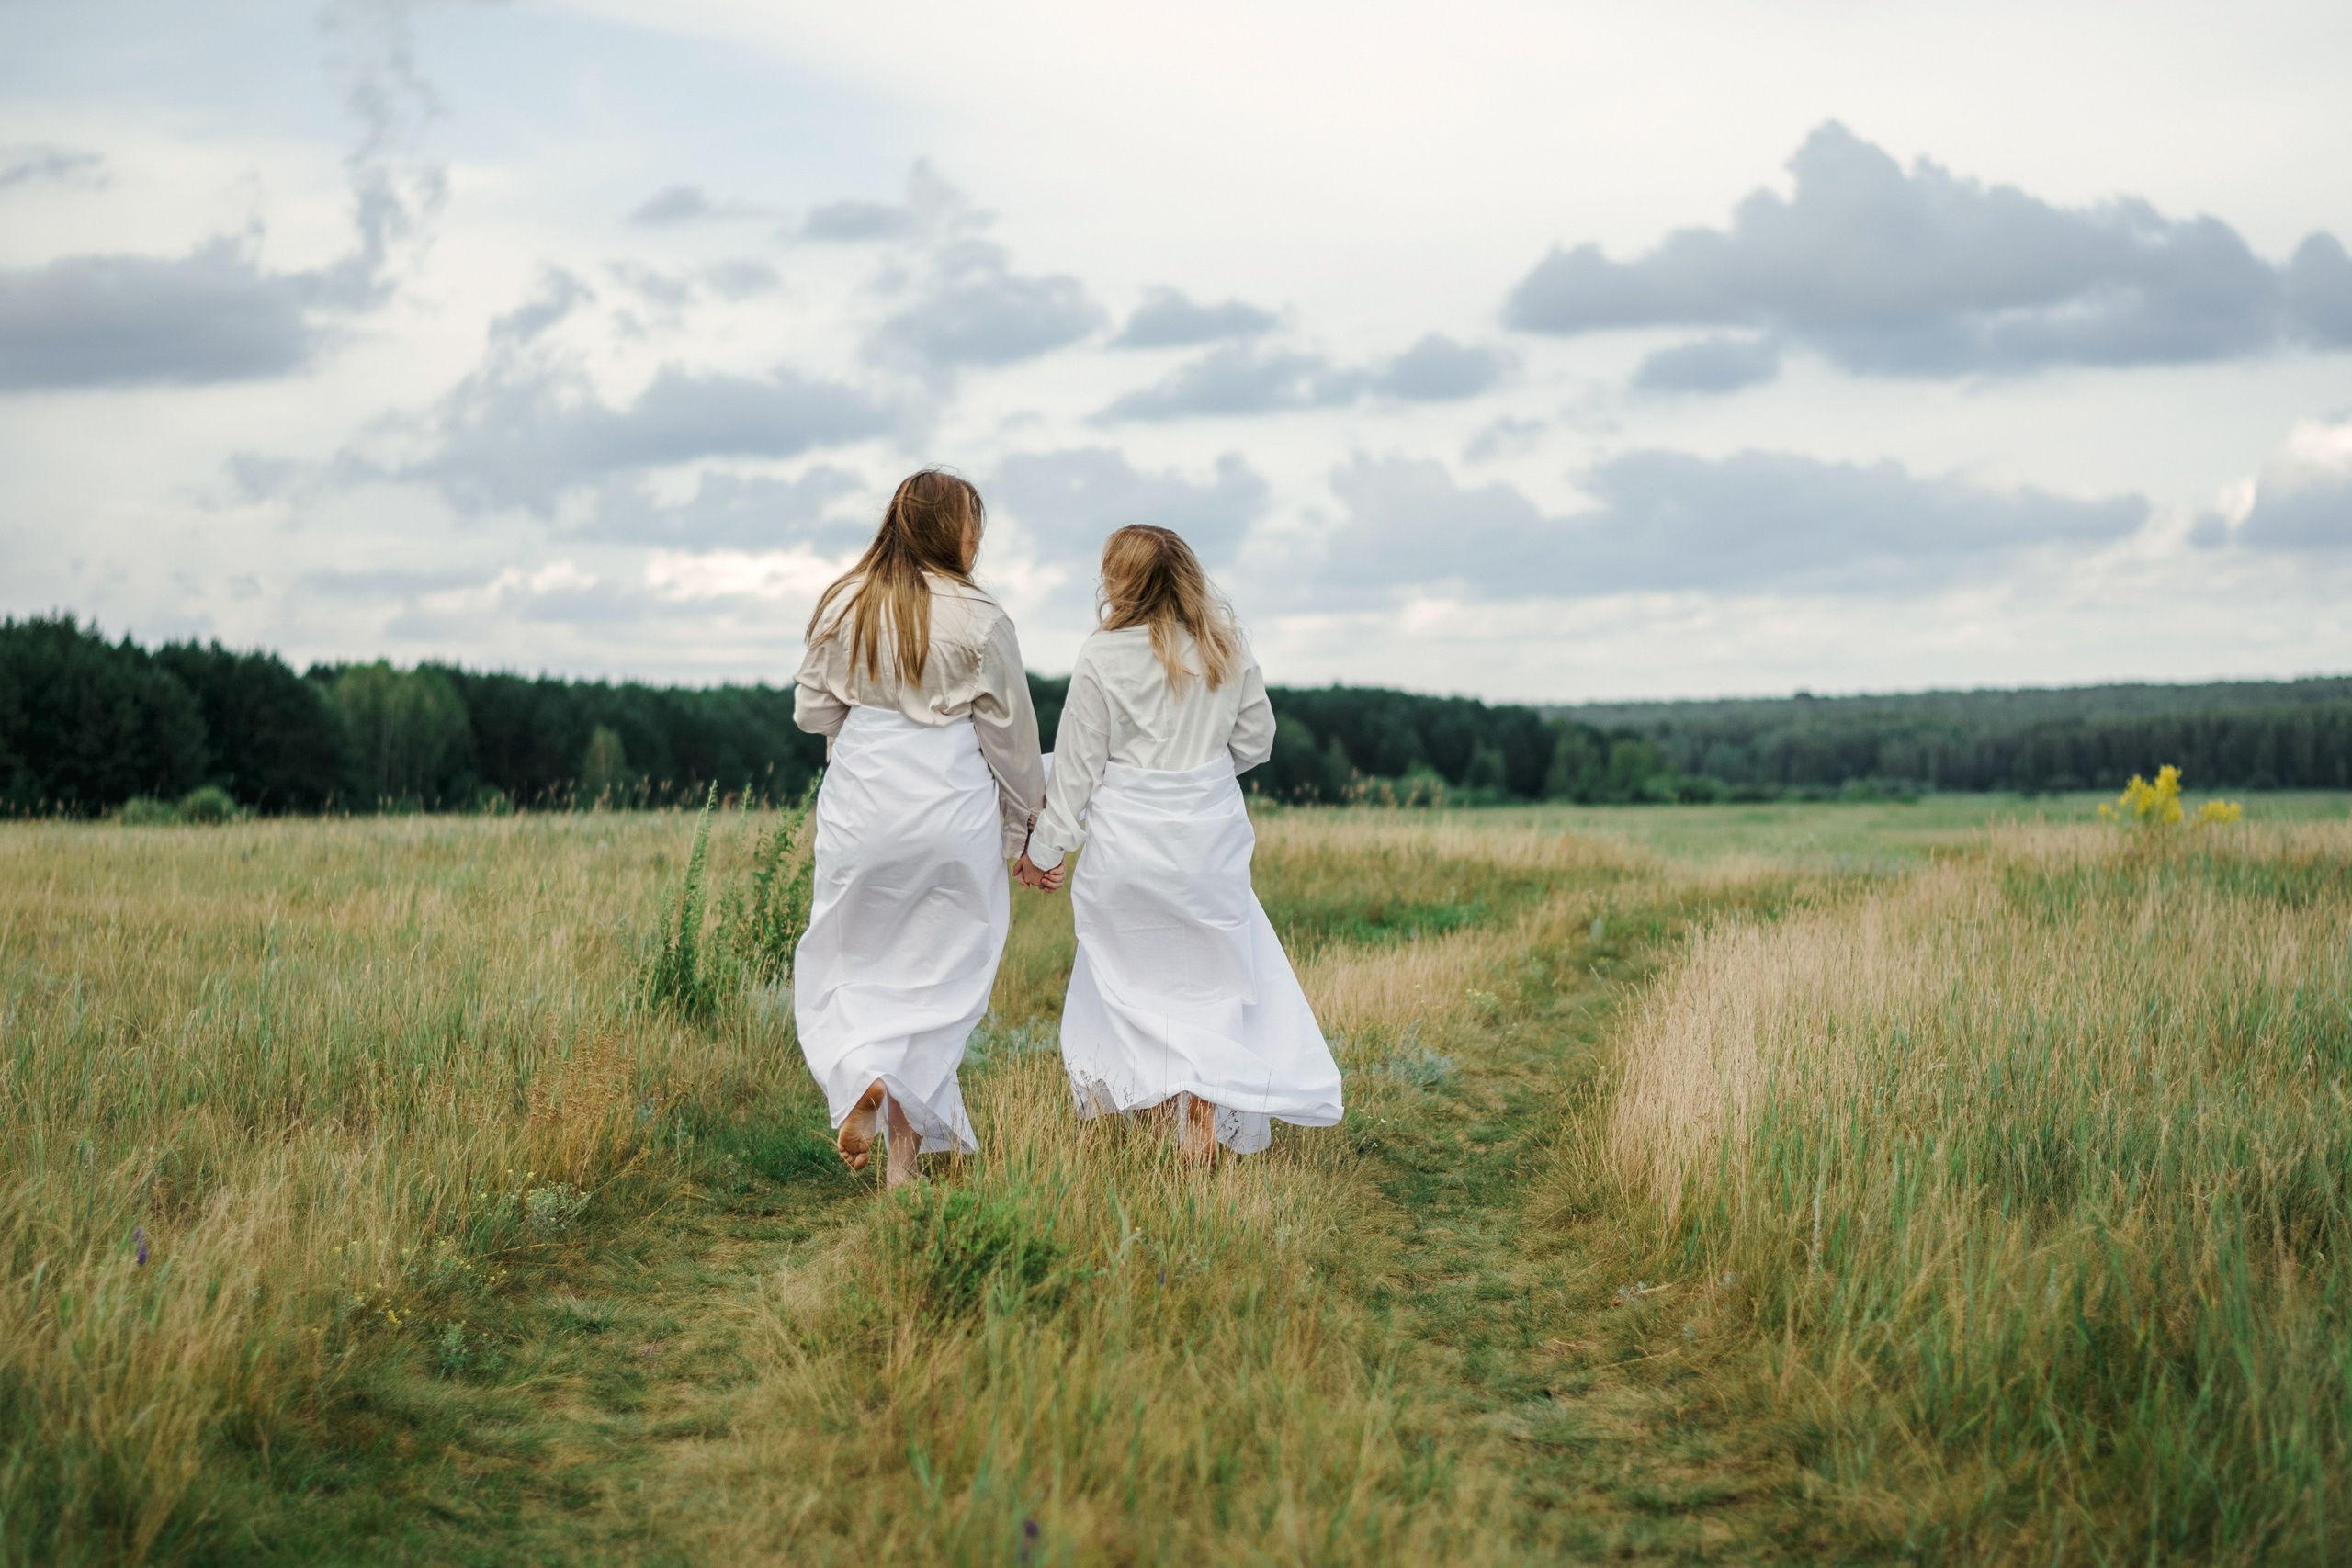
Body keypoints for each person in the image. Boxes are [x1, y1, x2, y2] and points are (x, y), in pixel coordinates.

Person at [1016, 525, 1342, 1165]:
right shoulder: (1226, 646)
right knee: (1211, 979)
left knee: (1130, 979)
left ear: (1119, 580)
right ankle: (1200, 1097)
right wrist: (1199, 771)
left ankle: (1175, 1098)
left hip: (1128, 845)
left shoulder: (1103, 655)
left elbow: (1078, 771)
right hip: (1208, 839)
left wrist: (1044, 853)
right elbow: (1257, 742)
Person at [793, 469, 1045, 1188]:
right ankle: (902, 1151)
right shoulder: (983, 618)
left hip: (863, 797)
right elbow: (1012, 743)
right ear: (955, 533)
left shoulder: (844, 601)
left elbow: (812, 714)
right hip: (947, 802)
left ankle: (866, 1080)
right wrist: (1028, 825)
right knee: (944, 968)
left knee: (849, 955)